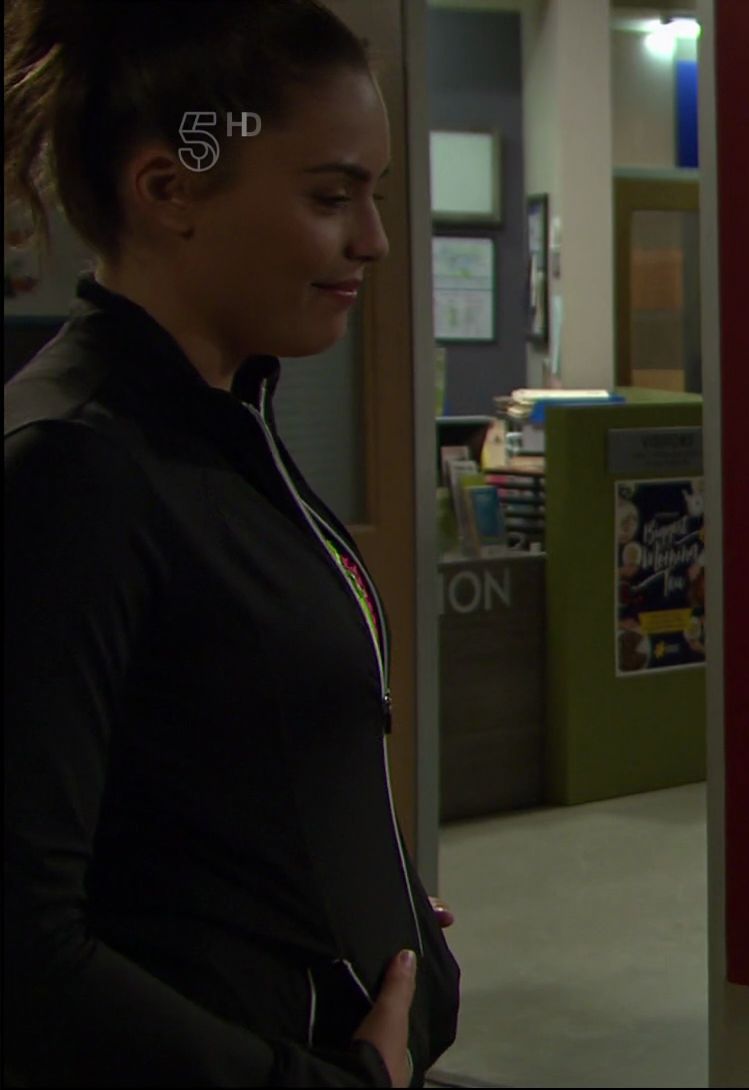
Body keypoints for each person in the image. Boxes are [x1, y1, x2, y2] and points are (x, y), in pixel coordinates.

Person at [3, 2, 459, 1085]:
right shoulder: (72, 472)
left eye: (375, 196)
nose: (373, 240)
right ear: (170, 190)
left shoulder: (227, 429)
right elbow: (22, 951)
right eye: (330, 197)